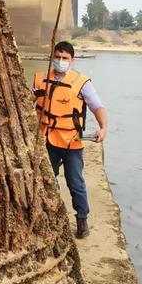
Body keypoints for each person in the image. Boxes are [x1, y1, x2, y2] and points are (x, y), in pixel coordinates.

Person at [32, 41, 107, 238]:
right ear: (52, 57)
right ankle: (53, 217)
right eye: (57, 57)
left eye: (65, 58)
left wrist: (103, 127)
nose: (60, 61)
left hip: (72, 140)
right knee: (48, 180)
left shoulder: (82, 82)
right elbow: (26, 102)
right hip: (46, 139)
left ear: (72, 60)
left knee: (75, 183)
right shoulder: (40, 79)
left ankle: (82, 221)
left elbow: (96, 106)